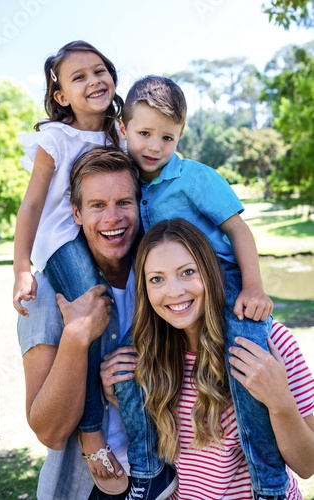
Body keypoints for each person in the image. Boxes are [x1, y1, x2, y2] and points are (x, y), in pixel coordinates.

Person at [118, 75, 286, 499]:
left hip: (224, 284)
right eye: (144, 134)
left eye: (167, 137)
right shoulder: (131, 184)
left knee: (246, 359)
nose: (154, 146)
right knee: (124, 364)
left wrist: (253, 288)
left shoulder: (193, 178)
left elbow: (239, 230)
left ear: (180, 138)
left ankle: (266, 480)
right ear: (123, 128)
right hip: (174, 290)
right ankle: (149, 470)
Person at [17, 147, 177, 499]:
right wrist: (76, 337)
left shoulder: (162, 279)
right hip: (87, 485)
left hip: (170, 474)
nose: (113, 219)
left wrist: (125, 387)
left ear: (140, 205)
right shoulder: (46, 294)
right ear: (76, 213)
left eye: (123, 202)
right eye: (97, 205)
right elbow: (50, 432)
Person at [121, 218, 313, 499]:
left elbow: (307, 465)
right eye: (157, 279)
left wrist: (279, 400)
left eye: (187, 272)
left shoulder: (270, 344)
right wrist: (112, 387)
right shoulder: (147, 356)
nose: (174, 291)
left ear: (210, 273)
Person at [12, 40, 128, 493]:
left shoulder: (121, 133)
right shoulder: (57, 138)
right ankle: (92, 430)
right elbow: (33, 204)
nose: (93, 80)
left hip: (103, 237)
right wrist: (22, 266)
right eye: (78, 77)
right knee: (94, 311)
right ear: (60, 96)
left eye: (99, 70)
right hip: (64, 241)